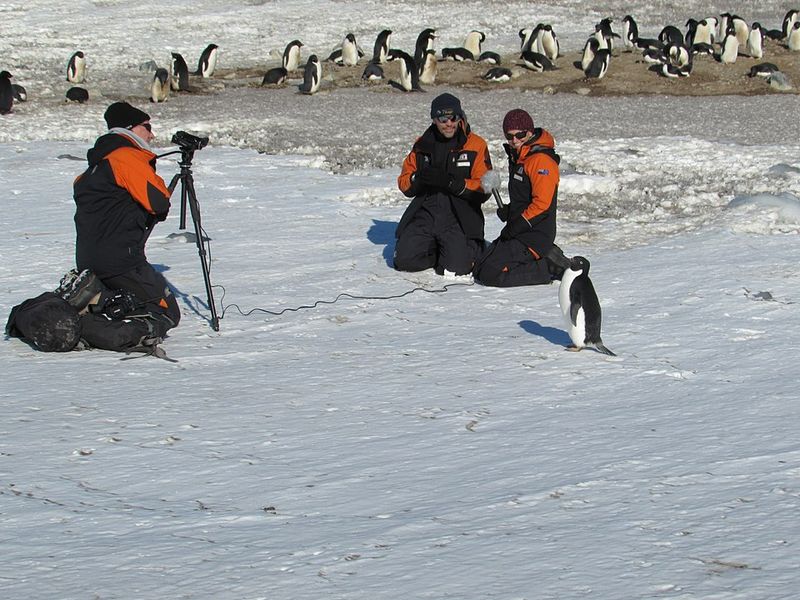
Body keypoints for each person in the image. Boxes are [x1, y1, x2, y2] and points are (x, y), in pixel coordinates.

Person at [69, 101, 180, 344]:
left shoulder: (93, 168)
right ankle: (85, 328)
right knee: (167, 313)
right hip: (121, 261)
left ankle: (98, 305)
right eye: (147, 126)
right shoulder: (126, 157)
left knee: (121, 301)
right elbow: (159, 204)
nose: (151, 134)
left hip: (88, 259)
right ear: (130, 128)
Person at [395, 92, 492, 276]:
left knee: (456, 268)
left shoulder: (475, 145)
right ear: (434, 120)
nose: (449, 123)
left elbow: (486, 187)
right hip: (427, 212)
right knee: (404, 261)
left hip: (459, 215)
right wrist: (419, 179)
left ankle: (472, 247)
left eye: (453, 118)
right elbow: (404, 183)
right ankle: (437, 247)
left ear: (460, 117)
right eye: (443, 118)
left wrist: (454, 183)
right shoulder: (422, 144)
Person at [474, 108, 569, 287]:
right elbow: (525, 196)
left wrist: (518, 223)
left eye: (520, 134)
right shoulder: (520, 157)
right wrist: (510, 211)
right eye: (510, 136)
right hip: (520, 230)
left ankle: (547, 267)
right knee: (480, 265)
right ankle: (548, 254)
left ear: (530, 132)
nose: (515, 140)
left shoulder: (541, 160)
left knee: (490, 274)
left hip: (534, 234)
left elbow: (542, 204)